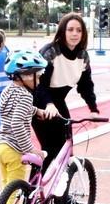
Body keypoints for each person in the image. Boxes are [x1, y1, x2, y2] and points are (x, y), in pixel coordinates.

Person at [32, 12, 99, 168]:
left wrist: (93, 109)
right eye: (70, 29)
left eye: (79, 30)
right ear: (63, 31)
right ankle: (35, 183)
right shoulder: (50, 52)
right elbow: (39, 85)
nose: (75, 34)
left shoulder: (83, 56)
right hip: (40, 102)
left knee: (66, 148)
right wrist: (48, 104)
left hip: (59, 102)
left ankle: (60, 182)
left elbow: (86, 85)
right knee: (50, 150)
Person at [0, 49, 53, 187]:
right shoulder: (26, 96)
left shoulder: (7, 90)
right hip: (14, 150)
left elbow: (12, 110)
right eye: (38, 77)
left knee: (6, 186)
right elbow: (16, 123)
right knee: (14, 190)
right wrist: (30, 149)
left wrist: (36, 111)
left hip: (0, 146)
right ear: (27, 76)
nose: (39, 81)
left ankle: (4, 202)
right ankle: (10, 203)